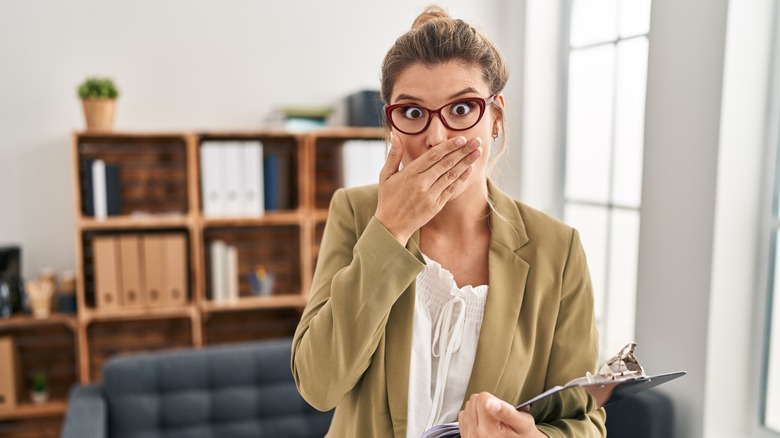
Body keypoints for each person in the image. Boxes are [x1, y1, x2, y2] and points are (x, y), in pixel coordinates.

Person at [291, 5, 605, 437]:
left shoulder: (558, 248)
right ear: (391, 126)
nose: (436, 137)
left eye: (461, 109)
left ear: (495, 117)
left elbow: (584, 420)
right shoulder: (356, 213)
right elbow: (318, 384)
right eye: (414, 113)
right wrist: (389, 231)